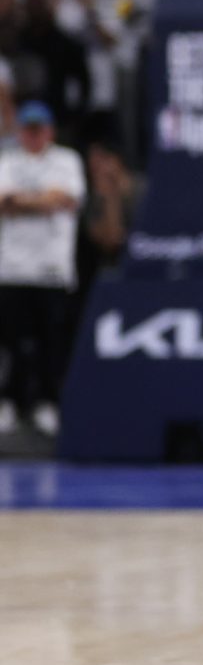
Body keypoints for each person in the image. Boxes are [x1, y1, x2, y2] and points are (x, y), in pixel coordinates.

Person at [0, 102, 85, 438]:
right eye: (28, 129)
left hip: (52, 269)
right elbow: (4, 202)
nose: (34, 135)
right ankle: (8, 402)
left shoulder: (66, 160)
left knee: (52, 342)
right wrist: (44, 201)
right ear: (20, 131)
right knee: (9, 343)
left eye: (40, 129)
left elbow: (67, 200)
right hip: (10, 269)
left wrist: (20, 202)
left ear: (49, 131)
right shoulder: (6, 161)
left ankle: (48, 404)